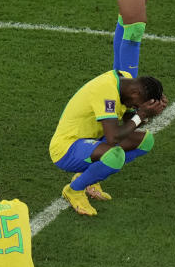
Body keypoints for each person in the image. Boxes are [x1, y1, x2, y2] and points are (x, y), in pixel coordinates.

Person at [50, 70, 167, 216]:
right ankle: (74, 190)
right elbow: (113, 137)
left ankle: (88, 179)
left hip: (92, 140)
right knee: (114, 155)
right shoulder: (106, 92)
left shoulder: (125, 82)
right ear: (136, 92)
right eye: (137, 105)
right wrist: (141, 114)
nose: (135, 108)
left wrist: (147, 113)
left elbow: (127, 120)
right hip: (67, 148)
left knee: (146, 141)